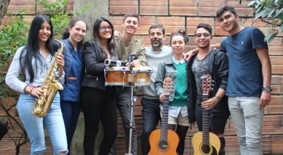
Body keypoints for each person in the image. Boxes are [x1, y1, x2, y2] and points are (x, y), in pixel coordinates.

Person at [185, 5, 272, 155]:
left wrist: (266, 88)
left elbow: (265, 61)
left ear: (237, 17)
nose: (225, 21)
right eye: (221, 19)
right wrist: (195, 50)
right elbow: (213, 45)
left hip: (251, 96)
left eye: (228, 17)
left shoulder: (253, 33)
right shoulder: (228, 41)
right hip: (232, 96)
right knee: (242, 140)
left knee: (253, 140)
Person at [5, 14, 68, 155]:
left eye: (48, 28)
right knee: (39, 148)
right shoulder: (23, 51)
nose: (46, 31)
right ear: (34, 29)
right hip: (30, 100)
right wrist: (29, 89)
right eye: (42, 28)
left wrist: (61, 68)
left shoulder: (54, 51)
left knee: (62, 149)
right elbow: (10, 78)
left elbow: (60, 82)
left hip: (53, 101)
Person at [187, 23, 229, 155]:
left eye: (205, 35)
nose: (202, 37)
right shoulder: (192, 58)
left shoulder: (219, 56)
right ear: (195, 38)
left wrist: (216, 99)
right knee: (204, 138)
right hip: (199, 103)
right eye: (199, 35)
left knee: (217, 139)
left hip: (217, 103)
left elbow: (225, 80)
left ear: (211, 36)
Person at [80, 17, 118, 155]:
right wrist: (114, 65)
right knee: (91, 130)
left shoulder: (113, 47)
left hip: (109, 93)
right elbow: (91, 67)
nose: (107, 30)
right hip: (92, 92)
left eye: (109, 27)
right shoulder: (90, 45)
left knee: (112, 132)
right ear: (97, 30)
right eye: (103, 27)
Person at [112, 13, 147, 155]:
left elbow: (143, 64)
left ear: (138, 27)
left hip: (126, 89)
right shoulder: (113, 39)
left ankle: (131, 153)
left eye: (134, 23)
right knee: (110, 126)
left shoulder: (139, 44)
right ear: (122, 23)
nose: (131, 24)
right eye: (129, 22)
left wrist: (138, 63)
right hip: (109, 87)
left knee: (130, 123)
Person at [154, 30, 189, 155]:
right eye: (174, 42)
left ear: (185, 44)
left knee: (181, 137)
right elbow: (157, 83)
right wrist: (160, 93)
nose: (177, 45)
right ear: (171, 45)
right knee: (169, 138)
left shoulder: (189, 63)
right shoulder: (164, 64)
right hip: (169, 106)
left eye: (180, 42)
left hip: (185, 106)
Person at [140, 24, 173, 155]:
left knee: (170, 134)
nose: (155, 37)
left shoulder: (171, 51)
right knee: (147, 131)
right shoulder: (143, 51)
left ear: (164, 36)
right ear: (149, 36)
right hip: (149, 100)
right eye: (152, 34)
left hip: (168, 100)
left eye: (158, 34)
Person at [60, 18, 87, 154]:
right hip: (64, 98)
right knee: (62, 137)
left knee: (69, 136)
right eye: (77, 29)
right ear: (70, 29)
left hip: (76, 98)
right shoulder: (61, 46)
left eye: (83, 31)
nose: (80, 33)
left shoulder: (81, 50)